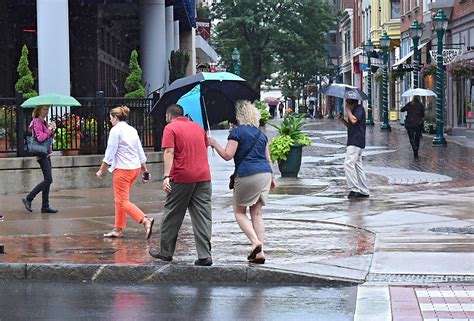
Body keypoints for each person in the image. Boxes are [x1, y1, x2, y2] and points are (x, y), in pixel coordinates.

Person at [208, 100, 275, 264]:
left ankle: (255, 242)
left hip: (247, 174)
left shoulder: (237, 133)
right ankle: (260, 252)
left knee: (239, 212)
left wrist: (214, 143)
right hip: (265, 174)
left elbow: (227, 155)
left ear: (240, 116)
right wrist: (272, 178)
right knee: (257, 213)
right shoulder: (261, 134)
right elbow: (268, 159)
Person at [149, 104, 213, 266]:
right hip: (203, 176)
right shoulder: (198, 127)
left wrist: (166, 176)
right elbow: (204, 147)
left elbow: (169, 152)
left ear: (170, 116)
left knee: (172, 214)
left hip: (182, 176)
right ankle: (205, 256)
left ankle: (166, 252)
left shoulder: (170, 128)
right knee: (202, 216)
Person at [96, 106, 154, 239]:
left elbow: (110, 153)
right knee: (120, 200)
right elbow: (139, 150)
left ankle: (145, 220)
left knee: (122, 201)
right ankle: (118, 229)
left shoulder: (115, 131)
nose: (110, 120)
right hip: (134, 169)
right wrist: (144, 170)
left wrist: (101, 170)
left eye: (110, 118)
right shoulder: (132, 129)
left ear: (116, 118)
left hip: (123, 170)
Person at [22, 105, 58, 213]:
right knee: (48, 179)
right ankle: (29, 198)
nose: (46, 111)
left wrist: (52, 130)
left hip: (46, 153)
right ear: (38, 110)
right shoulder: (37, 121)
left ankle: (45, 206)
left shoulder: (44, 122)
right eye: (44, 109)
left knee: (47, 180)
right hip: (41, 154)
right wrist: (49, 129)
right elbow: (40, 137)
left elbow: (48, 137)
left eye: (47, 109)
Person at [338, 99, 369, 199]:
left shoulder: (359, 109)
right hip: (355, 140)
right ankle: (364, 190)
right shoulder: (356, 110)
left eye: (347, 103)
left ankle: (354, 189)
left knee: (348, 164)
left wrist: (348, 111)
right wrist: (343, 120)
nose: (346, 105)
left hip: (356, 141)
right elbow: (351, 125)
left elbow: (354, 120)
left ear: (352, 103)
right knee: (357, 165)